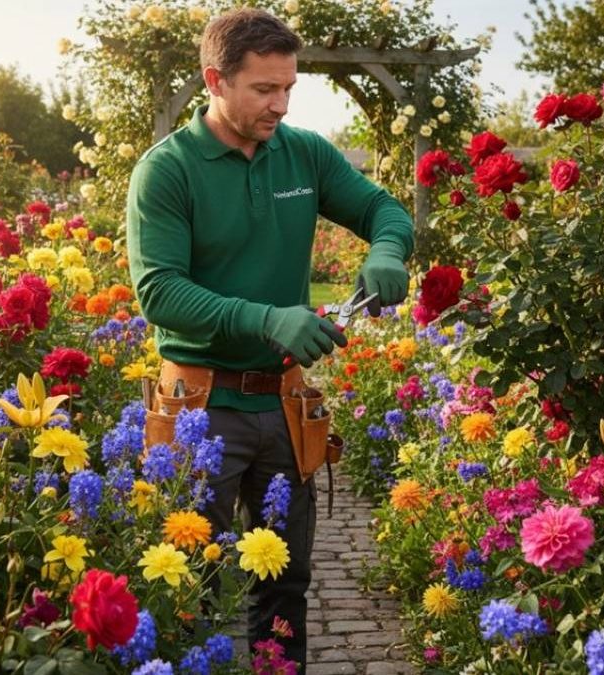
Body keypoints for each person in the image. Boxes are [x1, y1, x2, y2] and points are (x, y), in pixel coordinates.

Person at [126, 7, 413, 669]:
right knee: (186, 586)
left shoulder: (303, 152)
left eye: (288, 87)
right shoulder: (166, 171)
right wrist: (265, 317)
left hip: (283, 407)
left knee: (284, 583)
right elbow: (159, 291)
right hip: (198, 408)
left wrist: (389, 252)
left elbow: (382, 209)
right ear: (214, 81)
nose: (280, 104)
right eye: (263, 89)